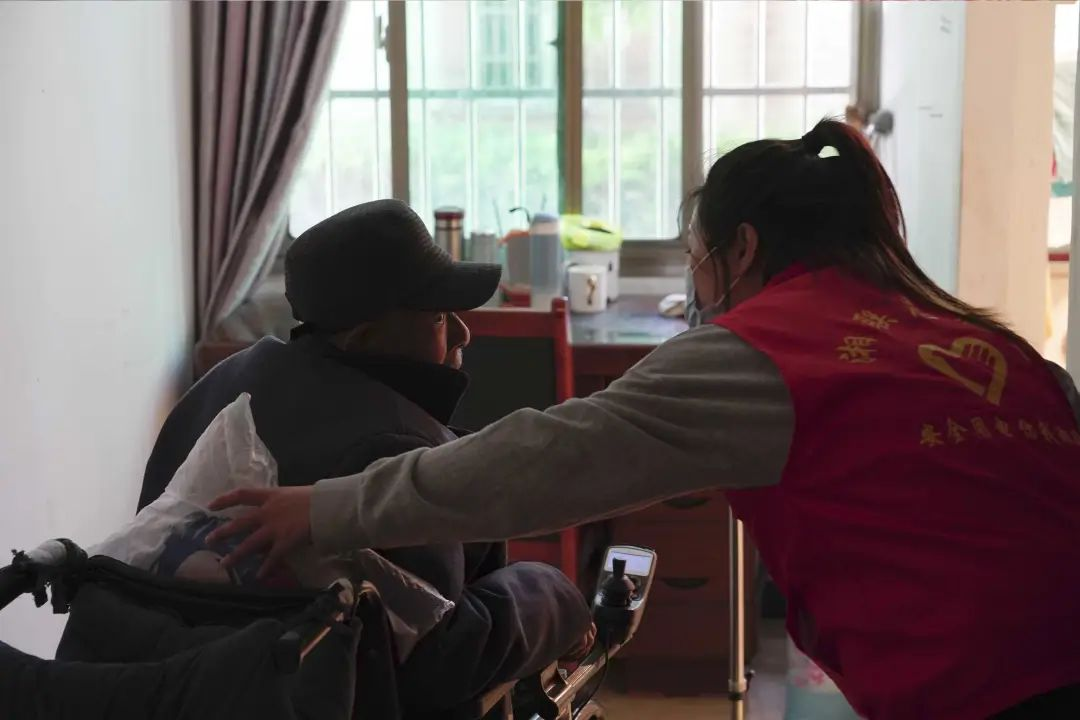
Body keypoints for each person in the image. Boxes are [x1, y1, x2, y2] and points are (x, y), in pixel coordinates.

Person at [207, 121, 1080, 720]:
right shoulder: (993, 348)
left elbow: (541, 459)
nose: (698, 289)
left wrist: (324, 508)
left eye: (697, 260)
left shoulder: (767, 351)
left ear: (741, 250)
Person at [139, 199, 593, 716]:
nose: (463, 333)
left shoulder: (219, 385)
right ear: (365, 336)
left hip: (186, 687)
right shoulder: (394, 447)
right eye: (439, 316)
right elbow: (434, 660)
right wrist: (553, 594)